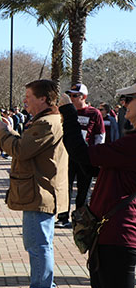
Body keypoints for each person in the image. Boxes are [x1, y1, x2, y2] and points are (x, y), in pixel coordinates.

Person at [59, 83, 136, 288]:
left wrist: (66, 110)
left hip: (122, 233)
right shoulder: (129, 141)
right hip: (109, 230)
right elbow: (89, 163)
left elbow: (83, 154)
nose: (124, 106)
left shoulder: (134, 144)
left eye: (128, 100)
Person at [0, 79, 68, 288]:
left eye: (29, 96)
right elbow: (28, 145)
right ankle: (41, 286)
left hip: (40, 193)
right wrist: (12, 131)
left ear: (43, 99)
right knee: (39, 243)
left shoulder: (46, 122)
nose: (25, 100)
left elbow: (20, 150)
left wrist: (2, 133)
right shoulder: (46, 121)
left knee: (38, 245)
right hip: (39, 192)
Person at [57, 83, 105, 227]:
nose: (71, 98)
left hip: (86, 156)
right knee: (66, 186)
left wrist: (96, 154)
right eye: (70, 95)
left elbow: (100, 134)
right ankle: (63, 217)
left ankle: (80, 218)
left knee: (83, 190)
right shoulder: (65, 112)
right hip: (68, 155)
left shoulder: (94, 113)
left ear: (83, 97)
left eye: (74, 95)